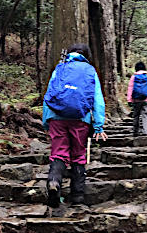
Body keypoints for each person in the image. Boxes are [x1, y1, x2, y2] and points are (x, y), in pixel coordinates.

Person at [42, 43, 107, 208]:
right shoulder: (90, 70)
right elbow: (97, 99)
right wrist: (98, 126)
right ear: (86, 55)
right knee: (78, 154)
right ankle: (77, 196)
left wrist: (46, 120)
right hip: (80, 117)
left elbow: (49, 93)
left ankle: (54, 181)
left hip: (56, 116)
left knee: (58, 152)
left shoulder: (61, 68)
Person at [127, 62, 147, 136]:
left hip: (136, 99)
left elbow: (130, 88)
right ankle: (146, 131)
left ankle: (135, 131)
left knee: (136, 115)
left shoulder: (133, 77)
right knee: (146, 115)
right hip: (146, 99)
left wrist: (129, 99)